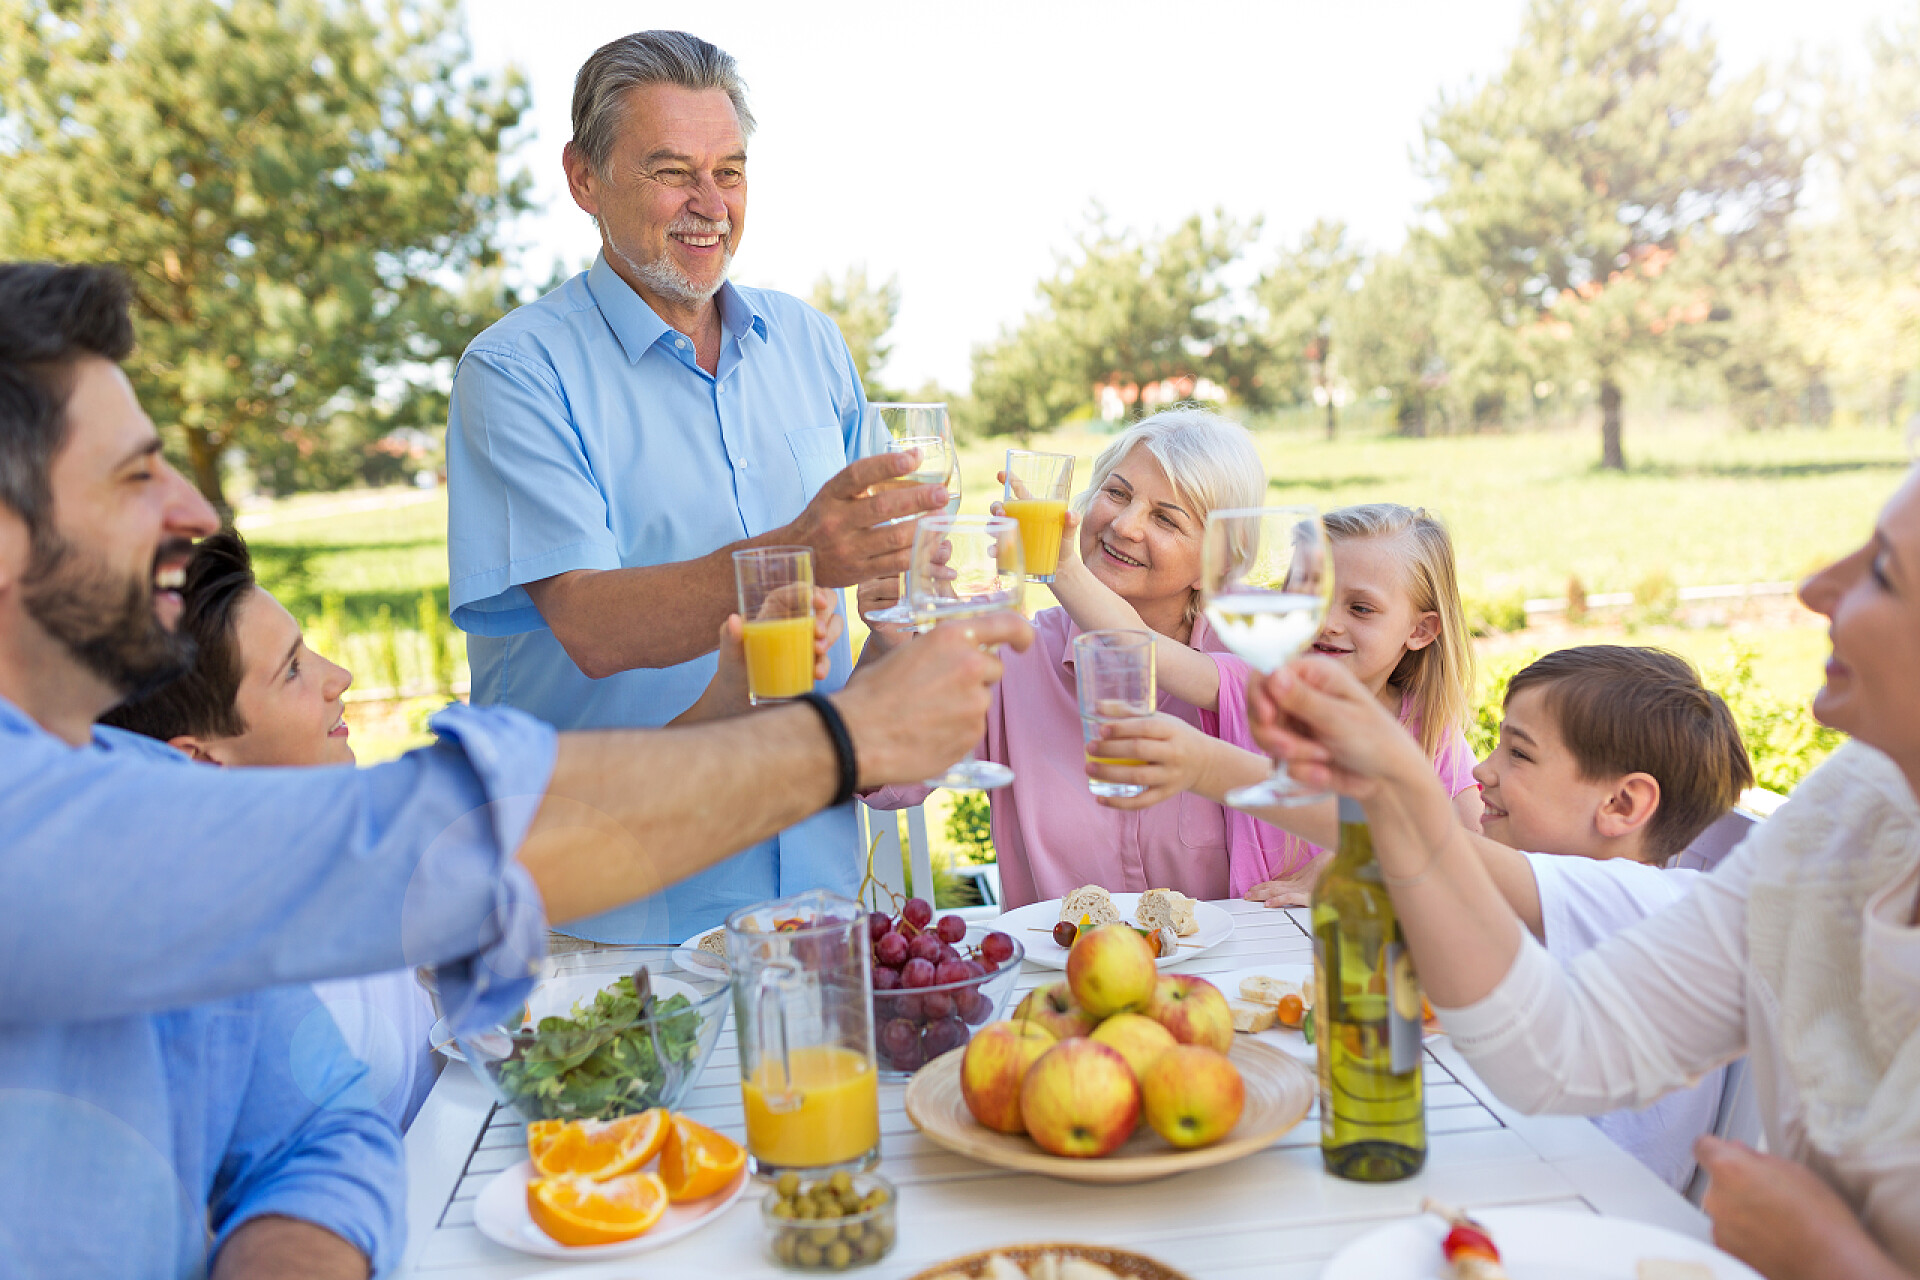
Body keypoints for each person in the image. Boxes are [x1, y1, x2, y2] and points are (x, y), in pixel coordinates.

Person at [0, 262, 1029, 1275]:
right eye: (135, 474)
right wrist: (846, 734)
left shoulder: (116, 776)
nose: (189, 507)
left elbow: (319, 1128)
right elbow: (429, 845)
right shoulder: (38, 821)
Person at [1245, 471, 1920, 1279]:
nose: (1815, 588)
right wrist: (1389, 790)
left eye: (1885, 571)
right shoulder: (1856, 804)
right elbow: (1558, 1050)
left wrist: (1832, 1261)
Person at [446, 30, 945, 945]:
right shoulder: (514, 371)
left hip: (821, 905)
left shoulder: (810, 343)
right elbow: (591, 627)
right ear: (584, 179)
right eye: (672, 171)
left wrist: (908, 590)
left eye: (731, 171)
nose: (709, 205)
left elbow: (885, 572)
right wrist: (802, 552)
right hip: (621, 923)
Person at [863, 407, 1267, 905]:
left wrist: (1061, 570)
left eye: (1165, 518)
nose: (1123, 525)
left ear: (1216, 563)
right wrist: (888, 641)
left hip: (1229, 974)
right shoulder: (1017, 656)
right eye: (1117, 493)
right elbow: (881, 779)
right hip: (1059, 973)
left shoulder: (1250, 660)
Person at [1084, 502, 1481, 904]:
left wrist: (1359, 858)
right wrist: (1062, 566)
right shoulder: (1256, 687)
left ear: (1420, 630)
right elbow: (1138, 643)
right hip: (1266, 942)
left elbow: (1482, 854)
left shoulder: (1430, 728)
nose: (1326, 622)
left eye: (1361, 608)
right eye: (1313, 598)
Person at [1464, 645, 1753, 1191]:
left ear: (1622, 804)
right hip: (1534, 1181)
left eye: (1518, 754)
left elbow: (1421, 844)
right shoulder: (1595, 894)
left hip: (1587, 1218)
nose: (1484, 769)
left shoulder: (1649, 904)